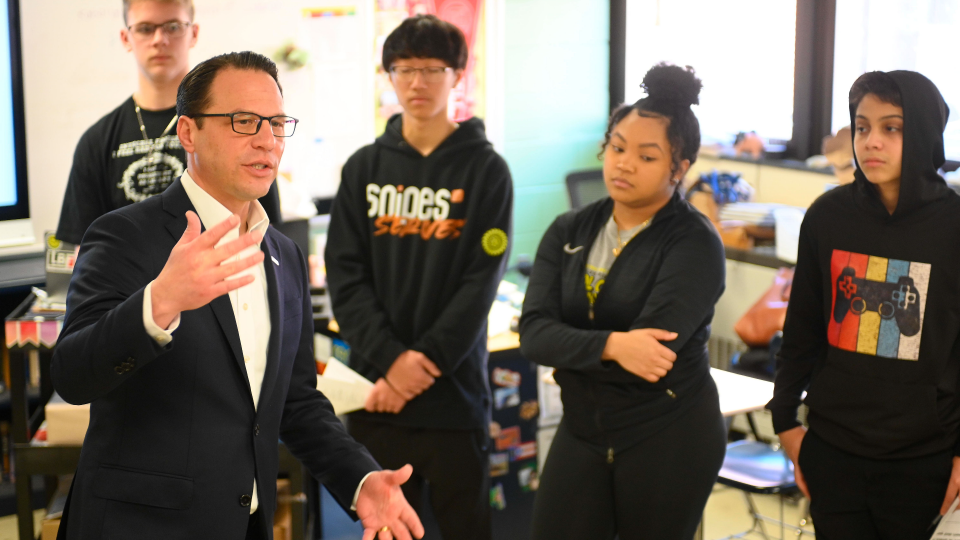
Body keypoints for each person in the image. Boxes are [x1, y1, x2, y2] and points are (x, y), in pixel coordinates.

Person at [51, 51, 423, 540]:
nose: (267, 140)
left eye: (276, 123)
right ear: (188, 133)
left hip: (243, 523)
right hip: (137, 525)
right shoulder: (123, 236)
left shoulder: (283, 255)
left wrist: (359, 478)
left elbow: (296, 402)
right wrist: (159, 301)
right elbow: (73, 376)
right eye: (244, 122)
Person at [518, 63, 727, 540]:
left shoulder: (694, 243)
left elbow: (652, 356)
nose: (624, 164)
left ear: (680, 168)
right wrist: (612, 345)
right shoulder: (570, 229)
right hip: (585, 428)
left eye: (646, 157)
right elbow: (533, 334)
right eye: (616, 148)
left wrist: (569, 348)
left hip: (668, 433)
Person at [325, 14, 513, 540]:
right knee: (384, 533)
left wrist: (421, 364)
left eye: (432, 69)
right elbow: (345, 275)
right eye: (404, 69)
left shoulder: (486, 170)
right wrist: (390, 361)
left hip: (453, 399)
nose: (417, 83)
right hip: (377, 396)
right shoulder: (363, 168)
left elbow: (483, 279)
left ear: (457, 76)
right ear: (389, 76)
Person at [768, 70, 960, 539]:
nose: (871, 141)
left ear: (921, 133)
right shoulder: (828, 217)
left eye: (891, 127)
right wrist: (785, 422)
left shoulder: (954, 226)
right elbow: (803, 328)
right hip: (835, 449)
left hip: (924, 458)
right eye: (862, 126)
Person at [55, 0, 280, 246]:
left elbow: (265, 229)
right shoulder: (97, 141)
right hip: (132, 281)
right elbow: (82, 248)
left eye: (173, 27)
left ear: (193, 33)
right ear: (125, 38)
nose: (159, 39)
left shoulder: (233, 128)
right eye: (144, 28)